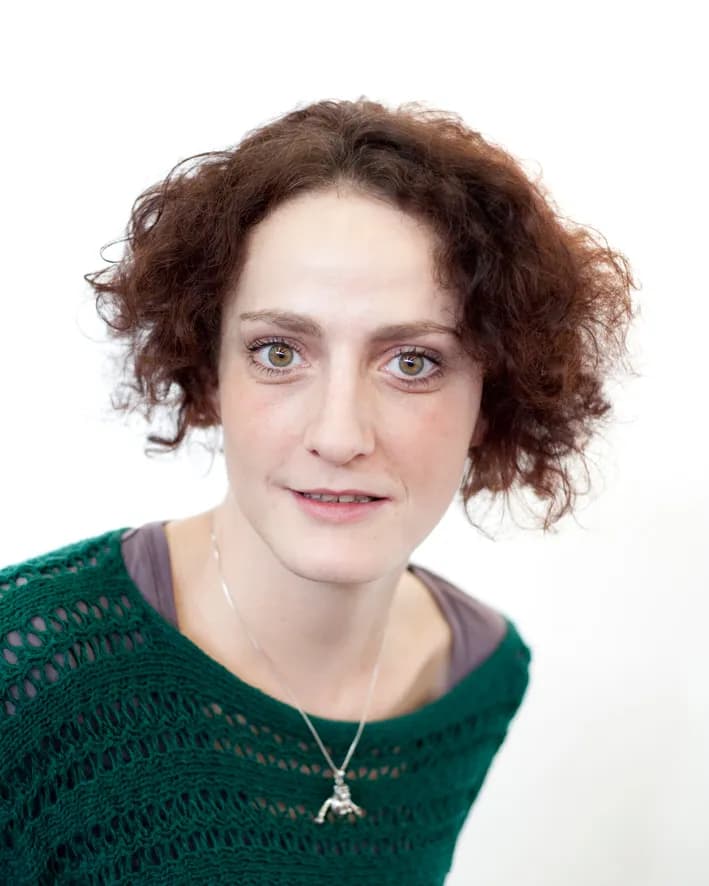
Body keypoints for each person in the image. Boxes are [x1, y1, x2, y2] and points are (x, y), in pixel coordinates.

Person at [0, 98, 638, 884]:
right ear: (208, 372)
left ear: (492, 395)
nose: (338, 435)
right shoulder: (26, 665)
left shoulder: (479, 677)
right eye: (278, 351)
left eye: (413, 362)